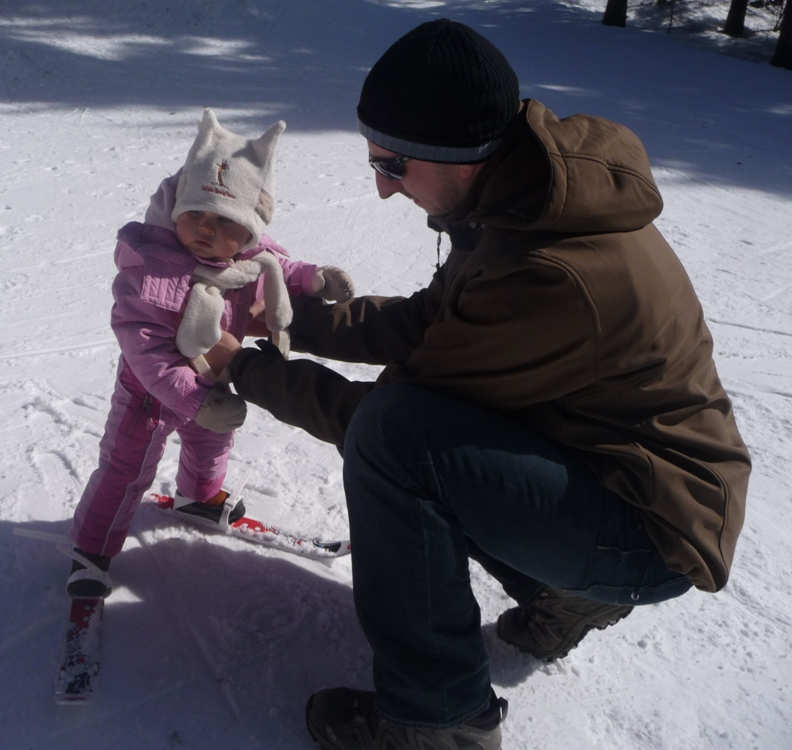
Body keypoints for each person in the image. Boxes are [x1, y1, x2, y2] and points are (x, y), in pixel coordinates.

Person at [203, 19, 751, 750]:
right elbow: (432, 321)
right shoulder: (522, 199)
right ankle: (568, 596)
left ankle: (438, 725)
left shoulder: (549, 272)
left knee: (397, 441)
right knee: (422, 429)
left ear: (459, 156)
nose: (381, 189)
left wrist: (245, 367)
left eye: (394, 165)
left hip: (649, 525)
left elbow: (388, 418)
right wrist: (295, 319)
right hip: (620, 474)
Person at [65, 109, 354, 598]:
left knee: (212, 445)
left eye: (223, 221)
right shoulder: (152, 269)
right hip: (150, 394)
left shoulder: (249, 258)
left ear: (247, 232)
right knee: (125, 469)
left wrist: (315, 279)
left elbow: (280, 265)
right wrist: (194, 400)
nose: (204, 228)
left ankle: (198, 497)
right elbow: (148, 351)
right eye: (194, 213)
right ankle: (91, 549)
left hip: (215, 378)